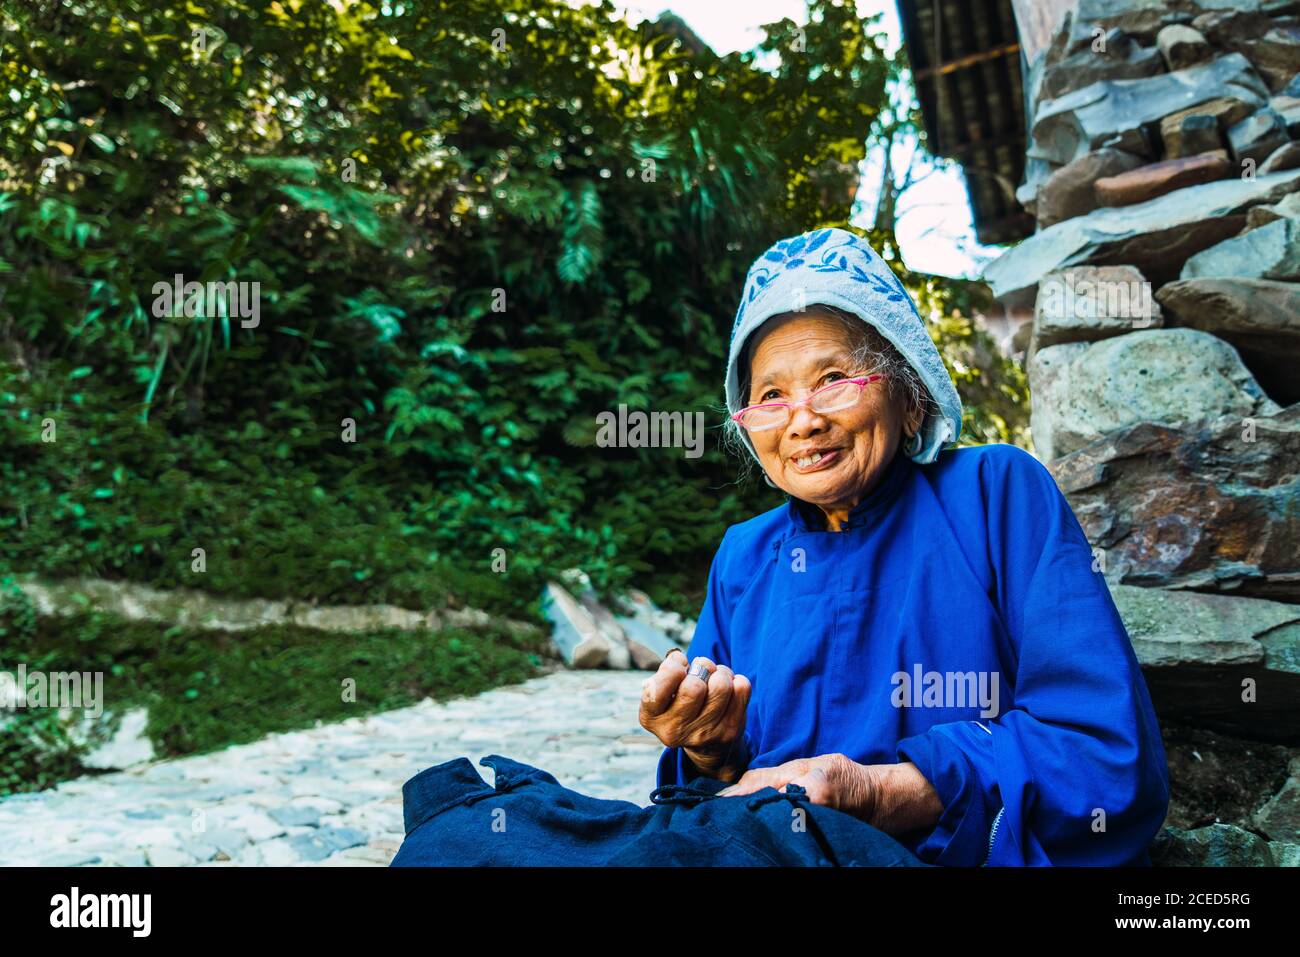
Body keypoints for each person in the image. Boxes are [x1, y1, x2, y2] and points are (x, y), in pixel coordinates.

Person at [638, 226, 1170, 866]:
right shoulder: (745, 555)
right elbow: (700, 800)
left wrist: (873, 792)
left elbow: (1102, 755)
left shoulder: (996, 494)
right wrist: (706, 748)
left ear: (910, 399)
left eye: (834, 378)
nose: (802, 420)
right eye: (771, 395)